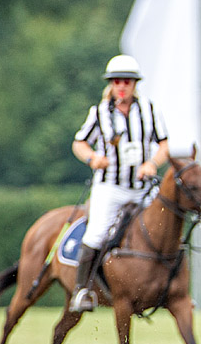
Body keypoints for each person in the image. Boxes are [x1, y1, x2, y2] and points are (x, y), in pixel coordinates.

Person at [68, 54, 170, 313]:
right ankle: (82, 291)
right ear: (111, 85)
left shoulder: (149, 110)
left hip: (141, 186)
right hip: (110, 187)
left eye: (126, 81)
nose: (122, 86)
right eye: (117, 82)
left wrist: (153, 163)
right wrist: (93, 158)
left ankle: (175, 286)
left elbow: (164, 144)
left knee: (168, 224)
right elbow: (79, 143)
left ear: (135, 84)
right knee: (97, 232)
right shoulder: (99, 113)